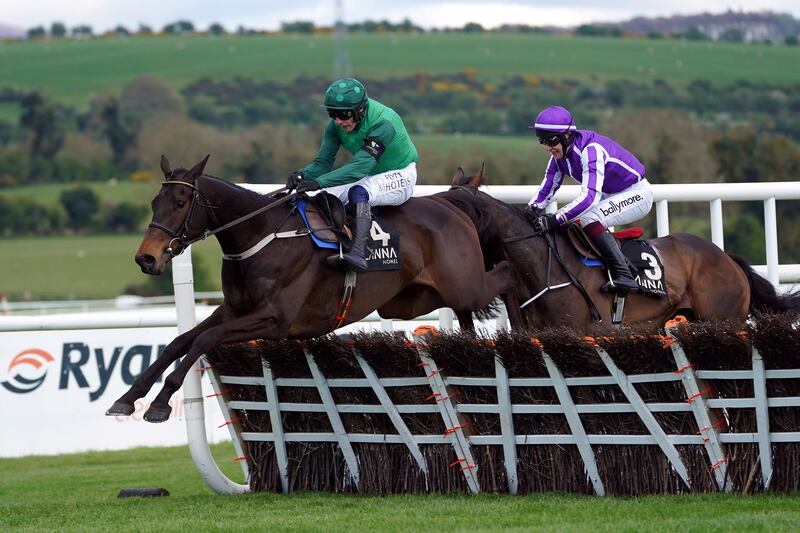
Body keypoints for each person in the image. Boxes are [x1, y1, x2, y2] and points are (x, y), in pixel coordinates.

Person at [286, 78, 418, 273]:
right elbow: (322, 163)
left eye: (344, 114)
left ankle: (358, 252)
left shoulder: (383, 123)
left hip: (401, 174)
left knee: (358, 192)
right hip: (371, 175)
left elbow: (360, 168)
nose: (339, 121)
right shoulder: (335, 127)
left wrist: (318, 182)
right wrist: (301, 176)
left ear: (361, 110)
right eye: (333, 114)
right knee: (321, 198)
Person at [525, 105, 653, 293]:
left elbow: (590, 197)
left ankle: (624, 274)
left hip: (636, 194)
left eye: (551, 140)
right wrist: (531, 209)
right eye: (542, 141)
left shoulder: (591, 150)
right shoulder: (558, 157)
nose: (547, 147)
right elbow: (546, 189)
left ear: (567, 135)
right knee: (575, 223)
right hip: (612, 195)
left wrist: (556, 218)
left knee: (588, 218)